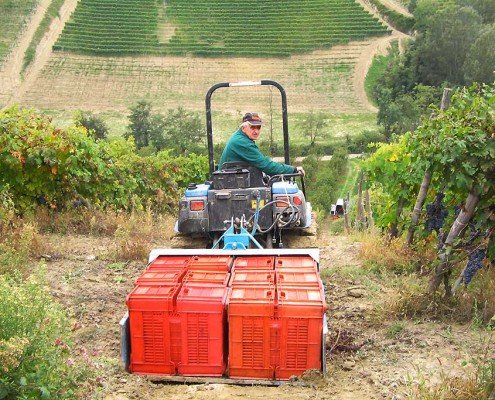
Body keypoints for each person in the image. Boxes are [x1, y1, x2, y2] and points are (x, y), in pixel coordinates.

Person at [218, 112, 305, 176]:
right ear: (243, 128)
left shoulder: (240, 137)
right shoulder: (242, 142)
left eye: (258, 127)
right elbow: (266, 165)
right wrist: (293, 169)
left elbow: (261, 162)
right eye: (252, 127)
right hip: (232, 182)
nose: (256, 131)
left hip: (235, 178)